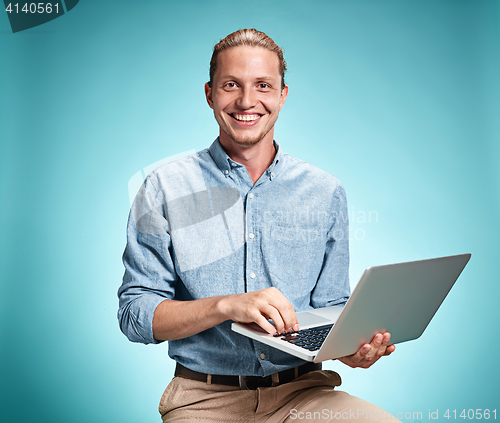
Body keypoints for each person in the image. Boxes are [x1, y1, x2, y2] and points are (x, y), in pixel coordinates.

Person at [118, 28, 400, 422]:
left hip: (304, 394)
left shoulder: (325, 191)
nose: (247, 101)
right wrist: (225, 306)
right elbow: (135, 314)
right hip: (204, 400)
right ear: (209, 93)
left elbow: (332, 309)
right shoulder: (164, 188)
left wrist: (353, 348)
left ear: (283, 96)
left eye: (263, 86)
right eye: (231, 85)